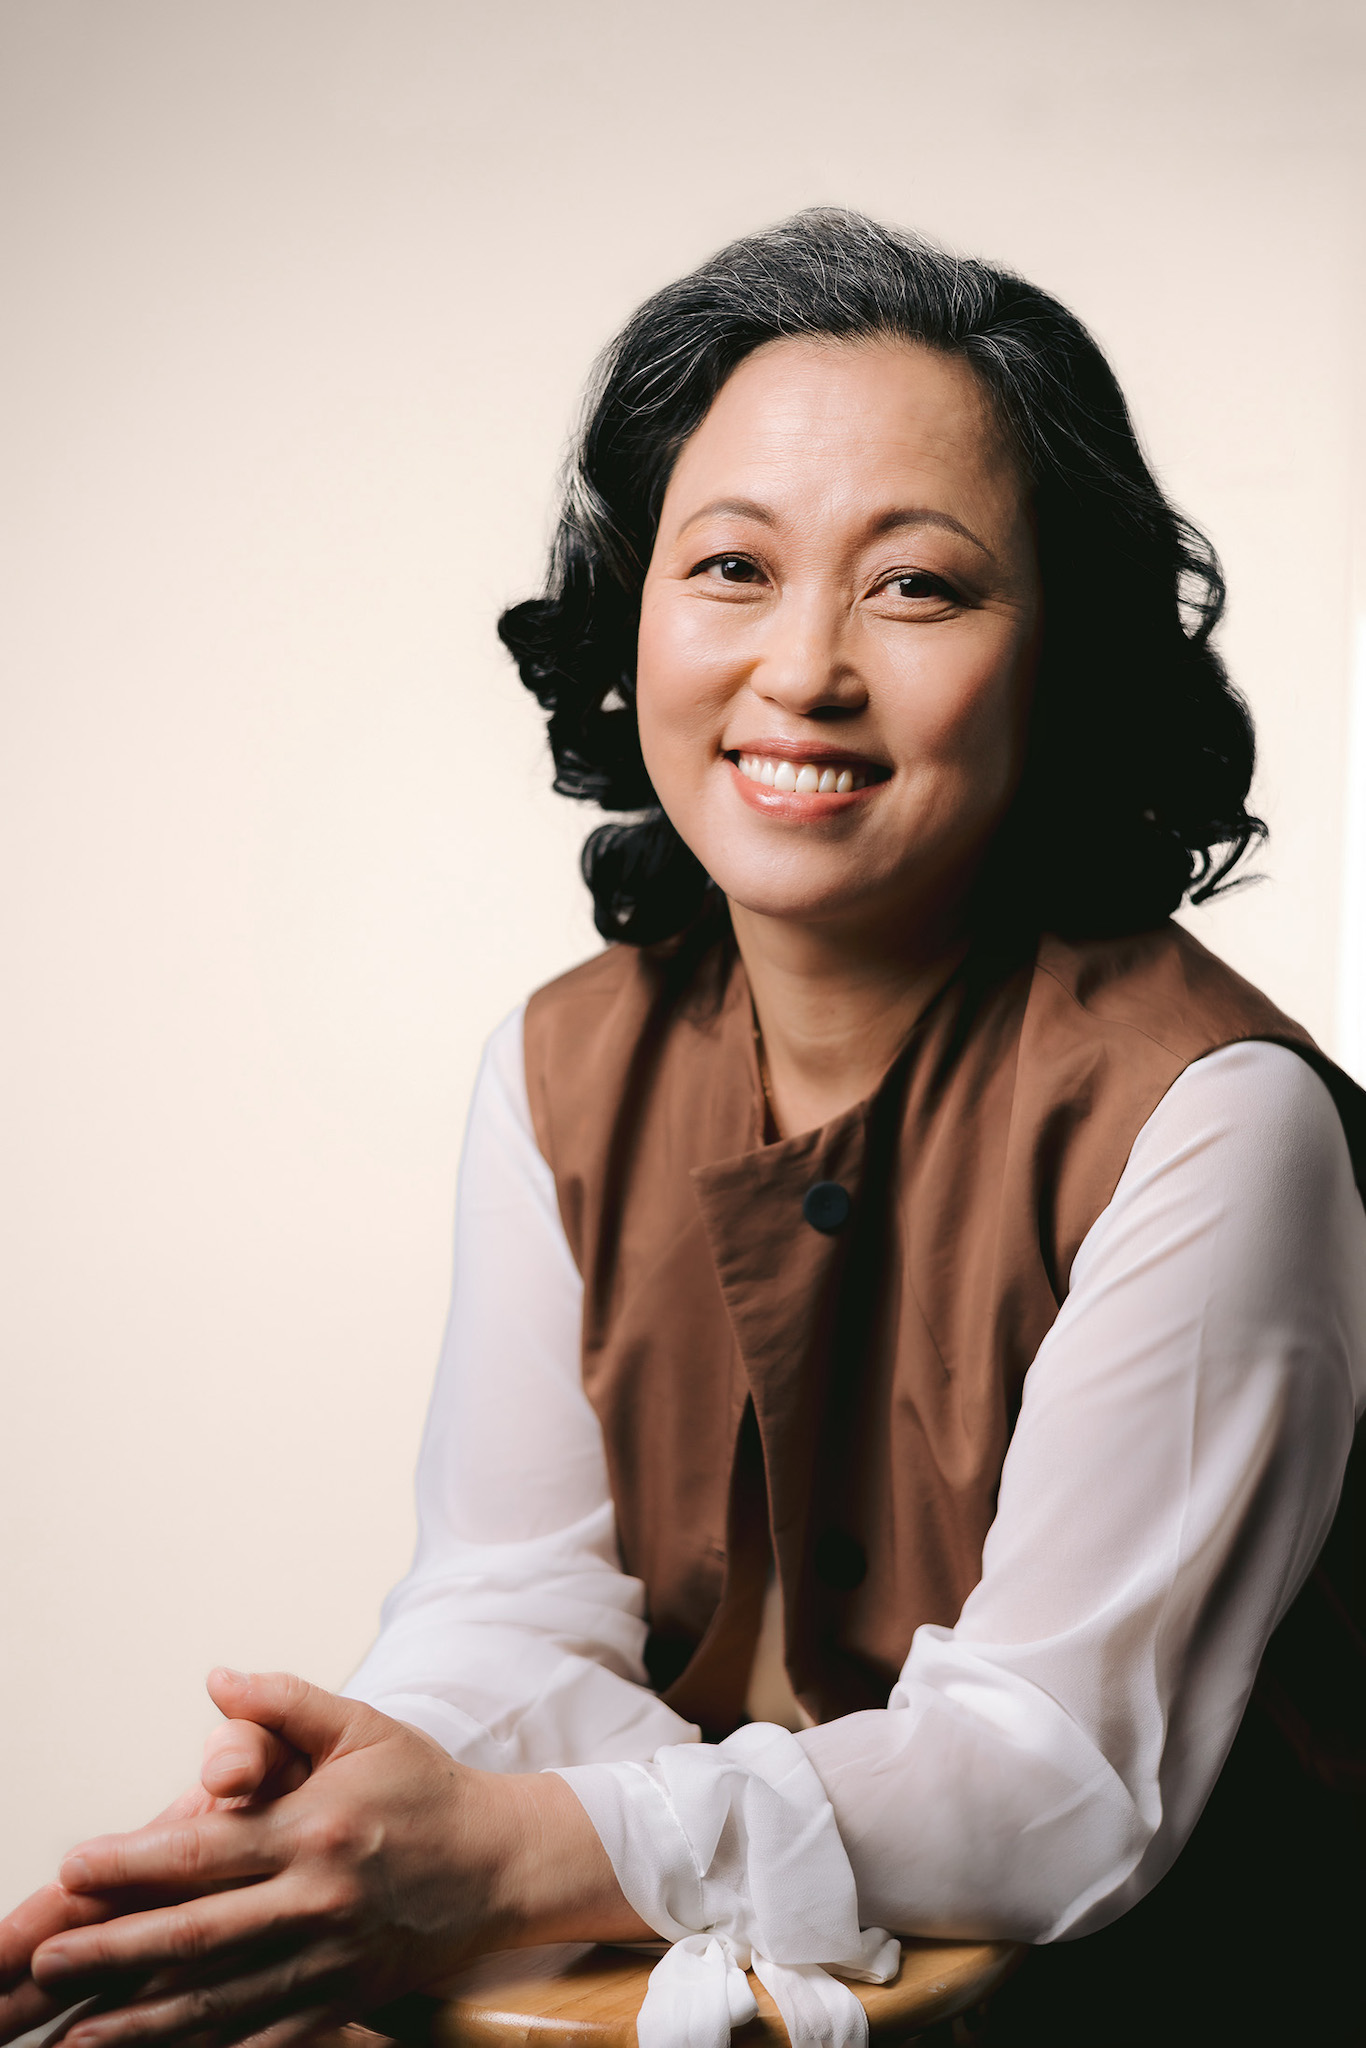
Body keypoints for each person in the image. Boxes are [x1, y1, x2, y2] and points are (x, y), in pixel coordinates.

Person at [2, 210, 1362, 2048]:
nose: (802, 667)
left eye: (919, 586)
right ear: (629, 625)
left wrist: (499, 1857)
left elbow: (1058, 1781)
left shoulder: (1218, 1118)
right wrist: (331, 1825)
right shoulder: (555, 1066)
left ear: (1065, 665)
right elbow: (512, 1605)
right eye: (729, 565)